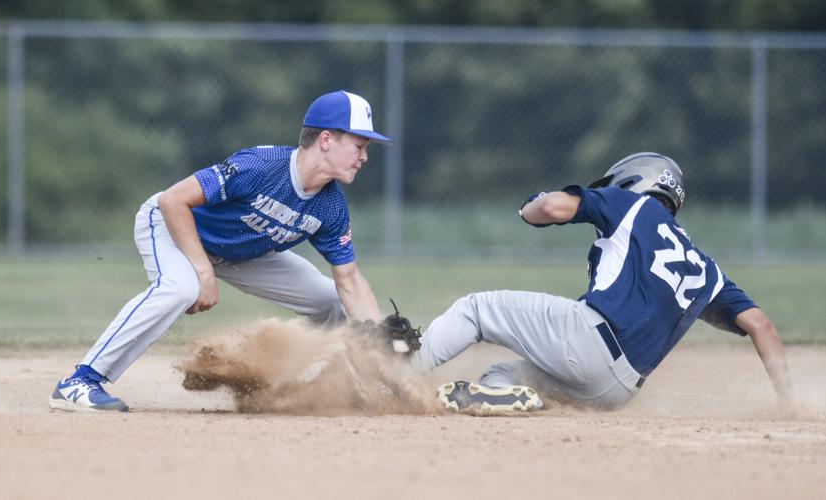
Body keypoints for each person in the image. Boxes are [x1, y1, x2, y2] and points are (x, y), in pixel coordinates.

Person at [49, 90, 392, 412]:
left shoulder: (331, 207)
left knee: (329, 300)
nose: (364, 157)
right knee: (180, 289)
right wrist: (202, 270)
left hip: (243, 252)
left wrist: (376, 340)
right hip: (175, 227)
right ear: (327, 140)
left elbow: (350, 281)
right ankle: (81, 381)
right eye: (360, 145)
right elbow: (173, 200)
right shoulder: (261, 165)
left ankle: (335, 381)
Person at [412, 152, 794, 412]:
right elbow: (762, 326)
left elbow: (549, 208)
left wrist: (528, 207)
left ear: (634, 180)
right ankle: (502, 398)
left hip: (590, 341)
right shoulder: (705, 270)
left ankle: (393, 375)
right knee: (502, 376)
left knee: (475, 309)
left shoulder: (632, 204)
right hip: (616, 392)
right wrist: (787, 405)